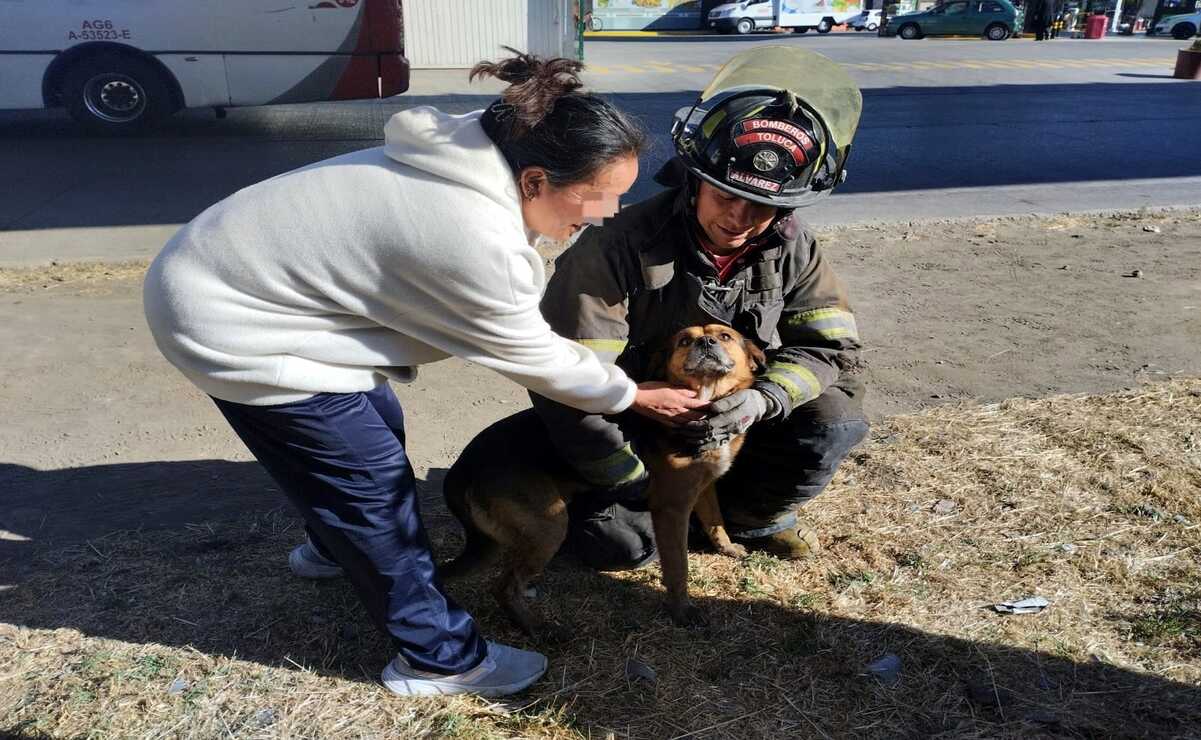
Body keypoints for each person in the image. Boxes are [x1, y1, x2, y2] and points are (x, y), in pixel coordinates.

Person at [142, 50, 705, 697]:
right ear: (533, 181)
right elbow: (530, 353)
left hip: (240, 278)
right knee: (372, 489)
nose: (607, 212)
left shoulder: (479, 149)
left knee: (372, 429)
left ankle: (332, 546)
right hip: (231, 323)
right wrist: (631, 393)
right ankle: (437, 660)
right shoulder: (468, 235)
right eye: (598, 195)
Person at [530, 46, 871, 571]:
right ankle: (643, 501)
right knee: (623, 548)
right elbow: (565, 380)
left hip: (732, 415)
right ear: (693, 180)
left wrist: (763, 399)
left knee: (836, 415)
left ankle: (750, 517)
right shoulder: (617, 246)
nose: (739, 217)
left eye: (763, 205)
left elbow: (832, 351)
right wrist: (644, 472)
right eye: (724, 195)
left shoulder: (794, 245)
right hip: (631, 422)